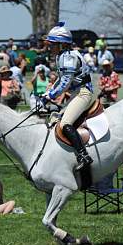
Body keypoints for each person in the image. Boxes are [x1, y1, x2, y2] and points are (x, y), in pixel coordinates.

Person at [40, 22, 93, 170]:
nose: (49, 47)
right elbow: (59, 79)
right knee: (54, 119)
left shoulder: (69, 57)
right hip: (76, 93)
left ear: (62, 44)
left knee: (64, 124)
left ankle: (84, 155)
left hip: (83, 93)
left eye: (52, 44)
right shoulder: (62, 56)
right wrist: (47, 92)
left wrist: (49, 96)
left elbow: (65, 82)